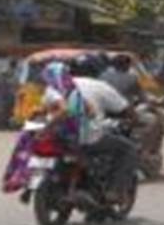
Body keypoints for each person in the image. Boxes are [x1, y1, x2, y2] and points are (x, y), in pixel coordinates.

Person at [39, 61, 139, 198]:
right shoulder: (100, 86)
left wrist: (47, 127)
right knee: (129, 149)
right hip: (86, 137)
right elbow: (126, 110)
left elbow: (45, 111)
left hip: (61, 137)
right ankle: (114, 191)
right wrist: (134, 120)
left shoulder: (52, 88)